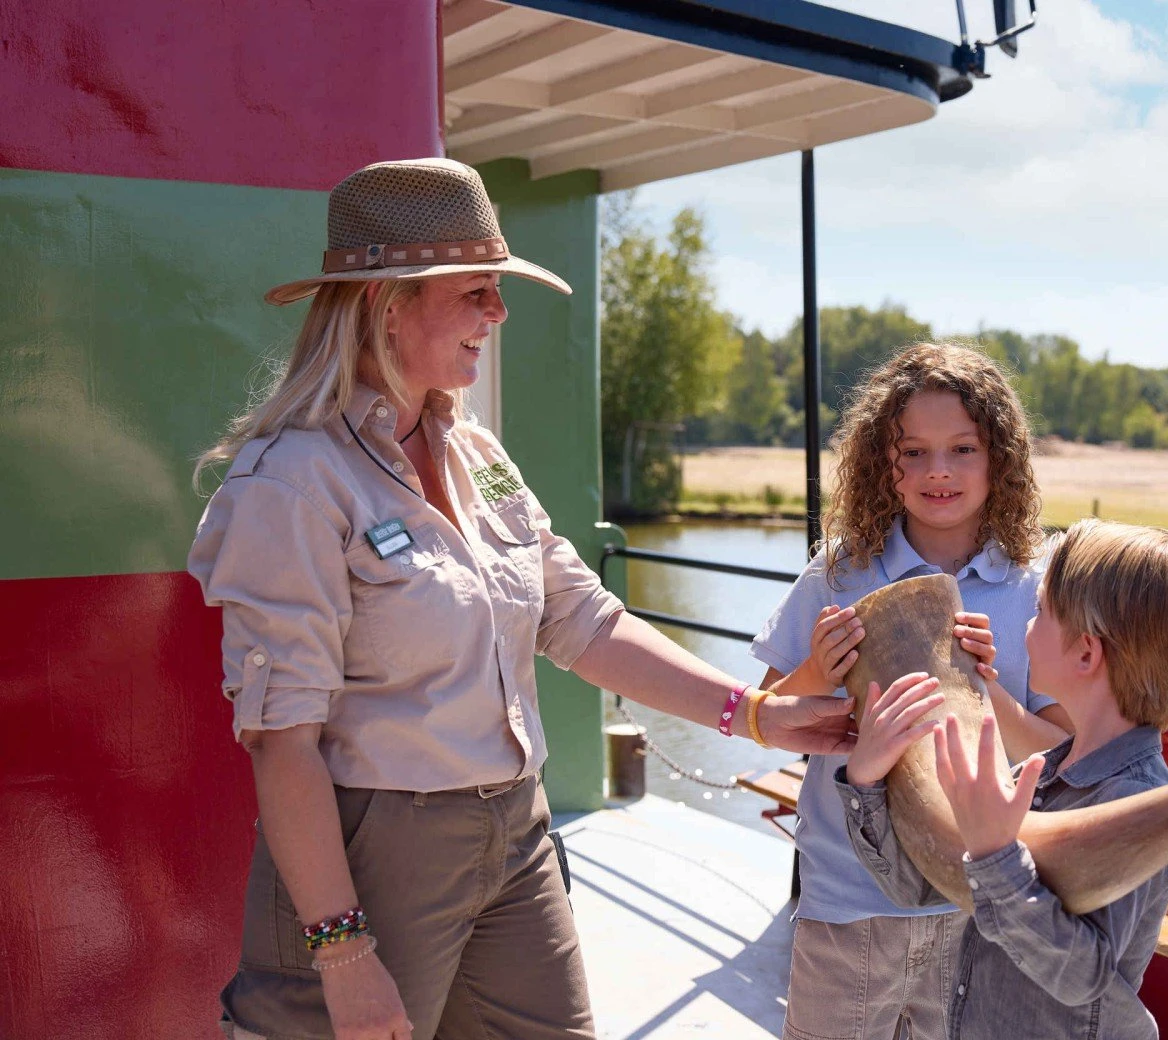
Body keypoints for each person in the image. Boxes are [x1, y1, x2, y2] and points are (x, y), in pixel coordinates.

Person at [187, 157, 854, 1040]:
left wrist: (757, 713)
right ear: (391, 304)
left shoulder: (479, 457)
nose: (497, 313)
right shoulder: (295, 483)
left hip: (516, 830)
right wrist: (343, 953)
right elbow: (283, 743)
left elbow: (582, 619)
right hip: (372, 850)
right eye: (476, 291)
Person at [751, 343, 1069, 1040]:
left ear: (1000, 458)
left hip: (980, 913)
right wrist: (816, 674)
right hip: (847, 902)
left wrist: (991, 693)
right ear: (881, 462)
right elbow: (768, 712)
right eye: (914, 452)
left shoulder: (1034, 590)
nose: (939, 472)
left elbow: (1061, 754)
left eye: (962, 448)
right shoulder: (839, 573)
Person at [837, 518, 1168, 1040]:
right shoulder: (1033, 774)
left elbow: (1080, 977)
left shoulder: (1135, 800)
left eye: (1041, 611)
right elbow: (919, 889)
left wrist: (997, 855)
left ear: (1087, 654)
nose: (1025, 624)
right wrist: (865, 780)